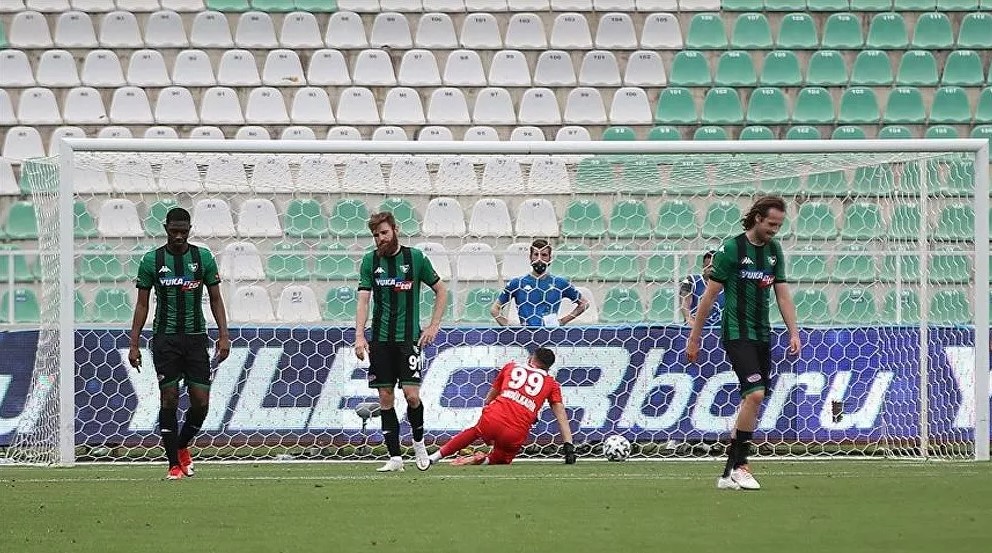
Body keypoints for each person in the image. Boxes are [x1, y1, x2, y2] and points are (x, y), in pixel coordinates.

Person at [686, 196, 801, 491]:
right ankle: (741, 465)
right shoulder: (731, 249)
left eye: (779, 225)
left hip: (763, 333)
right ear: (758, 218)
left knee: (750, 400)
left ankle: (727, 474)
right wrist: (694, 337)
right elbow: (709, 298)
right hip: (737, 333)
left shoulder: (774, 251)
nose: (775, 230)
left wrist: (793, 331)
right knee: (755, 395)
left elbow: (783, 295)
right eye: (772, 224)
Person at [128, 207, 230, 480]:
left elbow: (216, 299)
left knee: (201, 402)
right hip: (165, 339)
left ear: (189, 230)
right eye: (174, 231)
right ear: (166, 229)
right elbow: (141, 304)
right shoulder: (152, 260)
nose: (178, 236)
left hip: (196, 338)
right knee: (169, 398)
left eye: (183, 231)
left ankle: (182, 444)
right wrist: (134, 343)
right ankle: (173, 464)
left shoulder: (203, 257)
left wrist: (224, 334)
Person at [355, 211, 447, 473]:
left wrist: (433, 325)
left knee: (412, 395)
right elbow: (363, 300)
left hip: (408, 339)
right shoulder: (369, 261)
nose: (379, 239)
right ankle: (395, 458)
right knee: (385, 398)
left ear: (395, 230)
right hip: (380, 340)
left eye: (383, 233)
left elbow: (441, 289)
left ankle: (418, 443)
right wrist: (360, 335)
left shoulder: (415, 258)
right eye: (375, 235)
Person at [418, 347, 575, 469]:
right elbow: (560, 415)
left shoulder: (511, 367)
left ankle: (434, 457)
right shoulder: (551, 383)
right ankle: (482, 460)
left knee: (474, 432)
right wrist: (568, 447)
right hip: (516, 430)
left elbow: (489, 398)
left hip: (493, 418)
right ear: (548, 368)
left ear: (531, 358)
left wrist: (490, 412)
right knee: (503, 458)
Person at [490, 239, 588, 327]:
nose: (539, 259)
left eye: (544, 255)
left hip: (550, 335)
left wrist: (562, 321)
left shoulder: (559, 283)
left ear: (550, 258)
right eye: (536, 254)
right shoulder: (517, 283)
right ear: (530, 257)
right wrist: (509, 326)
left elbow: (584, 304)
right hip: (526, 336)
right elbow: (495, 309)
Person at [680, 249, 724, 328]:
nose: (711, 269)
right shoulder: (691, 280)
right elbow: (684, 300)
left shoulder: (728, 283)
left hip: (720, 329)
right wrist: (688, 318)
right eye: (708, 266)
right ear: (703, 266)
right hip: (696, 328)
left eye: (714, 266)